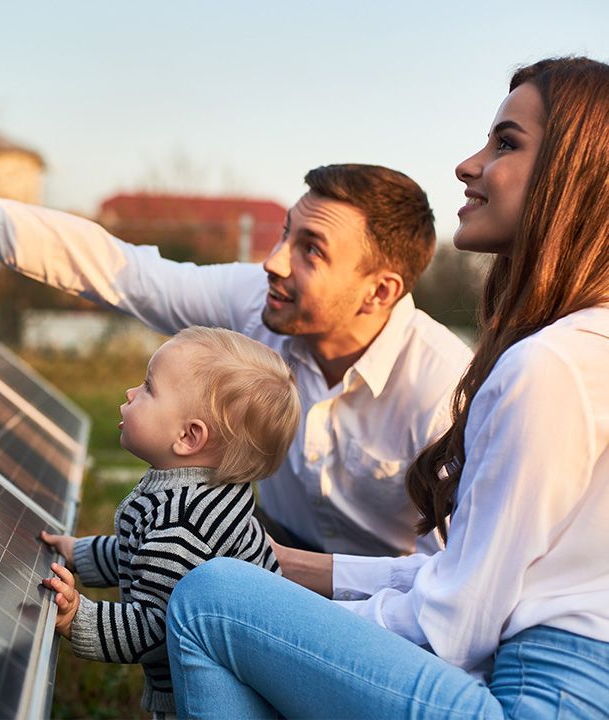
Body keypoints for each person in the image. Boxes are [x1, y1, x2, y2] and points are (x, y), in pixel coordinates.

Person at [164, 56, 609, 718]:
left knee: (209, 600)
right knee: (243, 594)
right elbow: (473, 575)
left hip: (537, 701)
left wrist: (285, 634)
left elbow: (455, 626)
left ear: (573, 177)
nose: (468, 164)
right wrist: (286, 571)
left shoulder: (546, 367)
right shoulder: (585, 349)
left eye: (506, 143)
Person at [0, 86, 473, 559]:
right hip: (274, 552)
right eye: (286, 232)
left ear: (379, 290)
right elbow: (115, 268)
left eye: (311, 249)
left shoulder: (444, 389)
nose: (274, 260)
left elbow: (451, 585)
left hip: (388, 606)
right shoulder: (259, 302)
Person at [37, 326, 299, 716]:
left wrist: (80, 618)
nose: (130, 393)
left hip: (205, 694)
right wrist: (80, 553)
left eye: (147, 388)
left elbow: (156, 627)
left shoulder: (183, 526)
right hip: (238, 673)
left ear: (188, 437)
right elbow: (141, 553)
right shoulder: (204, 492)